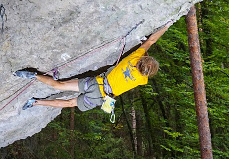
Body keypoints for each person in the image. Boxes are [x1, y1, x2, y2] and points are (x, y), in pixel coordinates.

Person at [15, 23, 170, 112]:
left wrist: (167, 26)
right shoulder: (142, 80)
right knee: (69, 103)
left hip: (96, 82)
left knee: (59, 85)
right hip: (98, 97)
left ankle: (34, 76)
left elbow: (150, 41)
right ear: (148, 74)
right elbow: (145, 66)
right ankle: (35, 102)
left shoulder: (134, 57)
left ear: (144, 59)